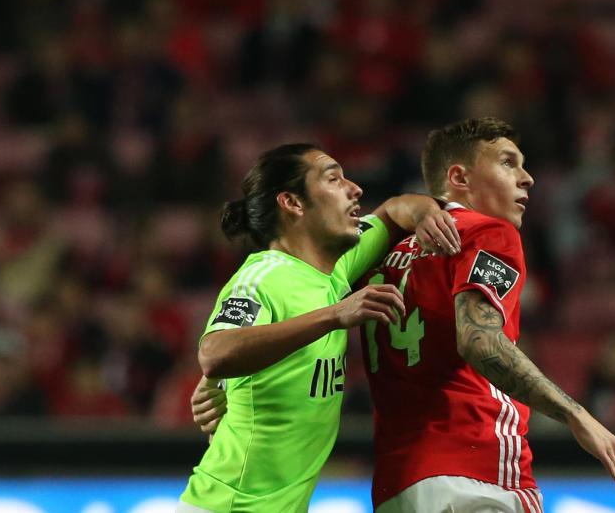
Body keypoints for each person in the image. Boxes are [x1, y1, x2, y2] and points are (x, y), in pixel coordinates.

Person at [193, 119, 615, 512]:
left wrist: (427, 207)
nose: (527, 179)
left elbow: (390, 211)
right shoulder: (489, 232)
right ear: (460, 176)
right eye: (508, 163)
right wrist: (575, 415)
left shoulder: (356, 263)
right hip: (479, 468)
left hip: (398, 486)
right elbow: (478, 340)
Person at [178, 142, 460, 513]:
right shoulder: (264, 275)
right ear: (293, 203)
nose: (354, 189)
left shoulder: (336, 268)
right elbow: (214, 353)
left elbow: (393, 211)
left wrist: (425, 210)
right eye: (333, 178)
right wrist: (334, 315)